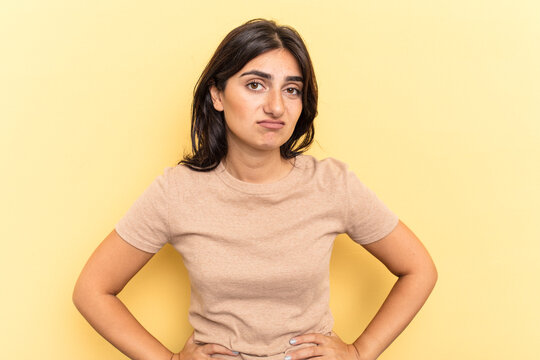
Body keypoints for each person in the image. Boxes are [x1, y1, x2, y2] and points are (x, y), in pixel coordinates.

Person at [73, 18, 437, 360]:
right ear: (217, 95)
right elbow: (92, 291)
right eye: (255, 84)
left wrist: (359, 352)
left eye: (291, 90)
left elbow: (419, 269)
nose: (276, 106)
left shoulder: (332, 185)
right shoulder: (177, 192)